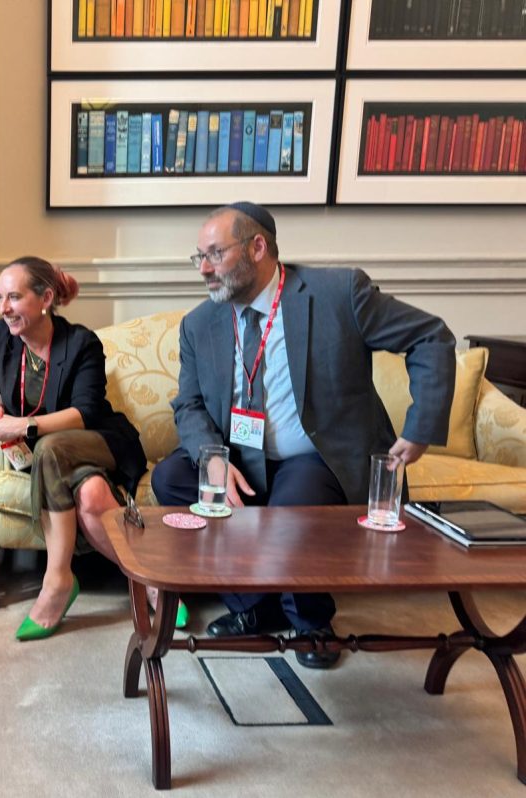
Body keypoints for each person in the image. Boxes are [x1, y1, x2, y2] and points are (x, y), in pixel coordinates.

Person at [150, 202, 456, 669]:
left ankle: (311, 620)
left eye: (214, 253)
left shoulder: (338, 293)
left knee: (293, 506)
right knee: (172, 479)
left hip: (315, 456)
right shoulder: (200, 323)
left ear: (258, 247)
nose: (205, 269)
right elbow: (188, 405)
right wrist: (212, 459)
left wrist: (420, 429)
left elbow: (430, 337)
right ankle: (253, 606)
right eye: (199, 257)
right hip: (240, 455)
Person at [0, 256, 149, 641]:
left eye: (14, 297)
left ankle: (57, 580)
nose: (3, 308)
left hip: (100, 441)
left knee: (51, 448)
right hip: (50, 457)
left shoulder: (81, 343)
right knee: (90, 494)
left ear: (45, 299)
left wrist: (24, 425)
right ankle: (148, 583)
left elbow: (84, 413)